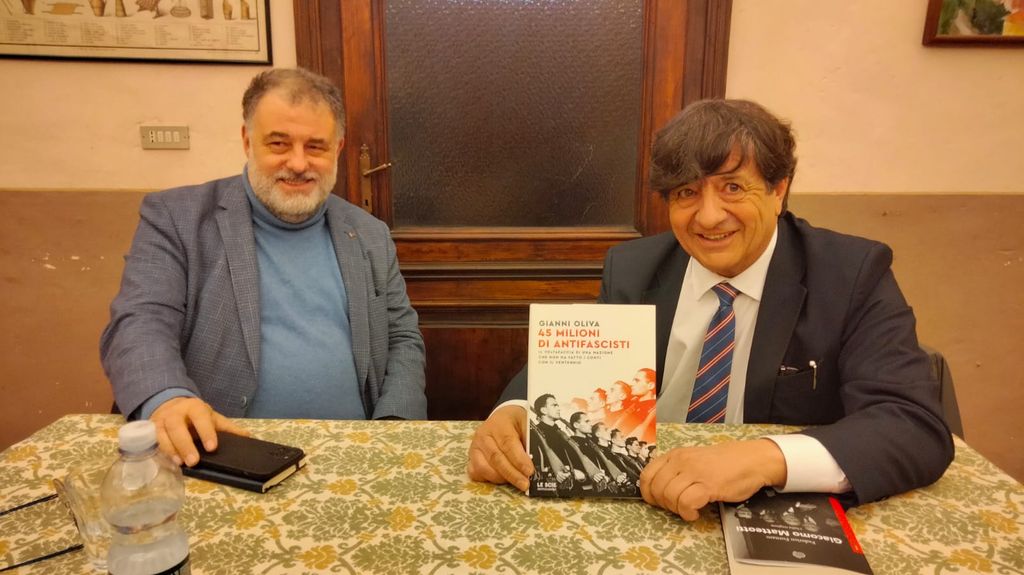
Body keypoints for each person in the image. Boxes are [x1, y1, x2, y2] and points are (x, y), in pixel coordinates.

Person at [467, 99, 953, 520]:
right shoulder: (634, 269)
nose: (709, 215)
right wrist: (514, 411)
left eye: (733, 188)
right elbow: (579, 371)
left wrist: (762, 459)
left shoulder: (850, 273)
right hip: (647, 500)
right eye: (686, 192)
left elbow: (912, 425)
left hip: (770, 508)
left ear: (779, 190)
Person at [101, 68, 427, 467]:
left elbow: (402, 338)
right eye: (278, 143)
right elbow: (140, 320)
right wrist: (167, 399)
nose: (298, 163)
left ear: (339, 149)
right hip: (225, 454)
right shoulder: (176, 218)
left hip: (353, 454)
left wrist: (396, 427)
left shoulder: (369, 233)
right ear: (246, 141)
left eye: (316, 146)